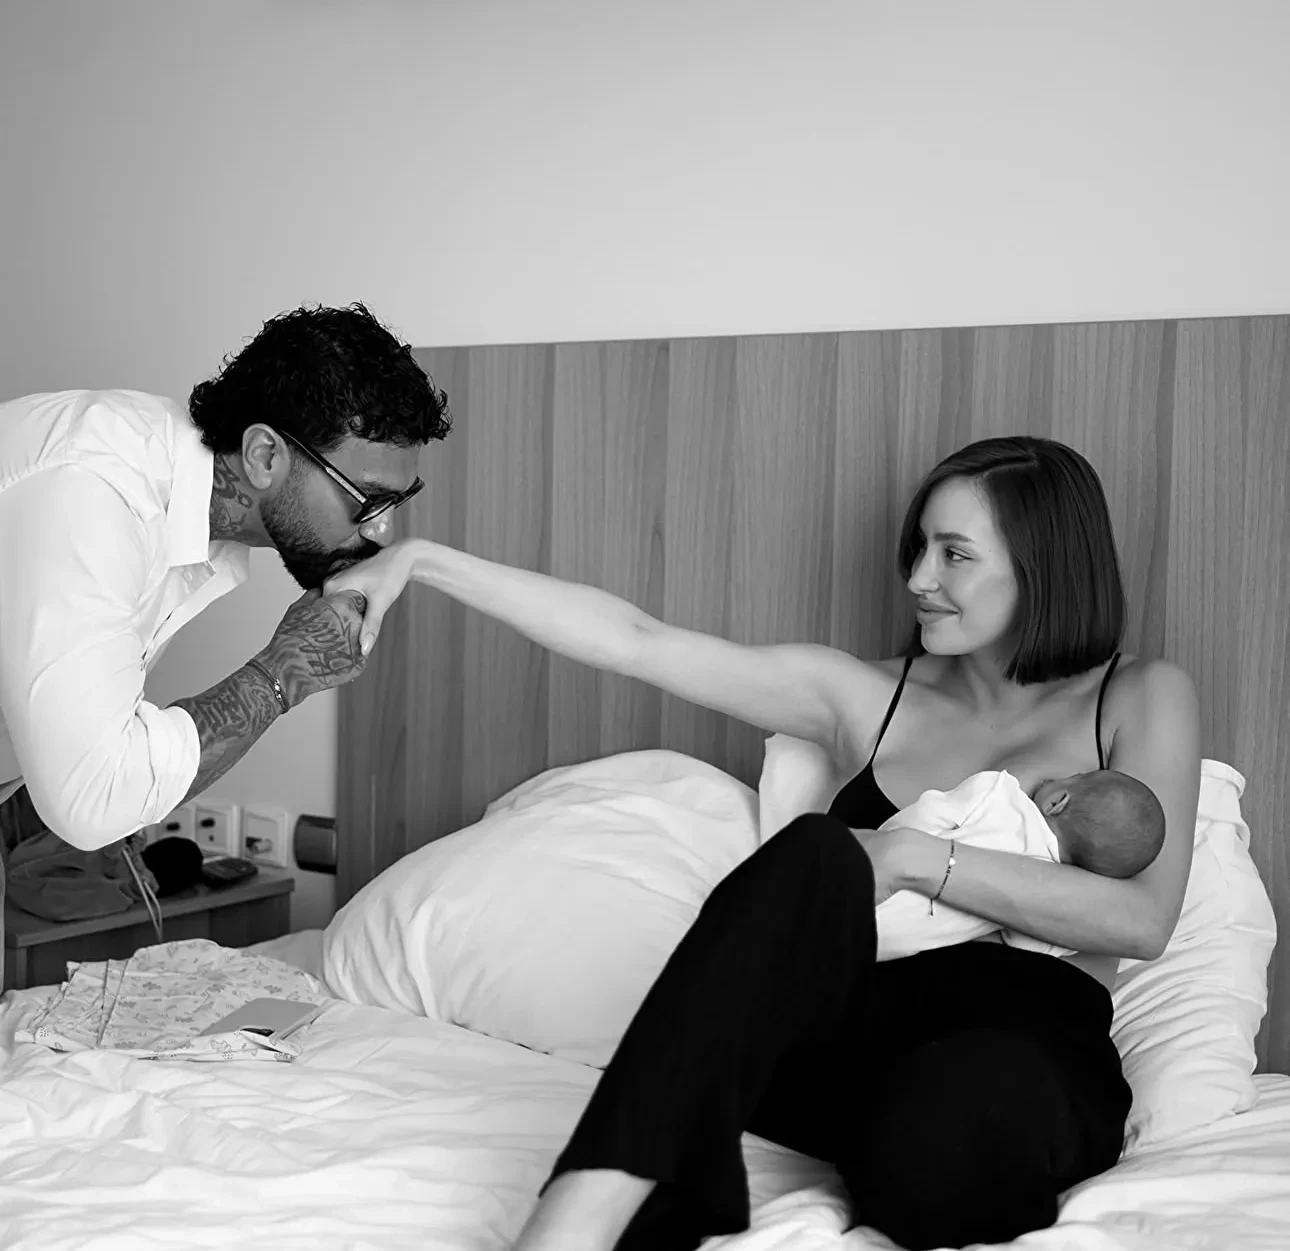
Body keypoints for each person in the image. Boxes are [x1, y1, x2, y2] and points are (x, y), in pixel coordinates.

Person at [327, 435, 1201, 1251]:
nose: (919, 578)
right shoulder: (864, 696)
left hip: (1024, 1037)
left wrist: (907, 858)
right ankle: (581, 1213)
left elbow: (1141, 918)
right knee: (817, 854)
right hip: (846, 1030)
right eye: (919, 547)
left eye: (955, 554)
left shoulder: (1138, 696)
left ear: (1042, 566)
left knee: (934, 1148)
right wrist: (424, 561)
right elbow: (638, 642)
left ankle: (683, 1182)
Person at [0, 302, 451, 984]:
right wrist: (283, 672)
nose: (382, 532)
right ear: (265, 454)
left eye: (397, 502)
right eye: (367, 500)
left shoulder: (191, 519)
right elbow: (93, 798)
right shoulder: (97, 495)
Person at [871, 765, 1167, 961]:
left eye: (1075, 777)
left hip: (870, 874)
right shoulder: (1050, 904)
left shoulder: (998, 794)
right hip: (884, 943)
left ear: (1056, 802)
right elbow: (1015, 945)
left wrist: (881, 838)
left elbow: (929, 811)